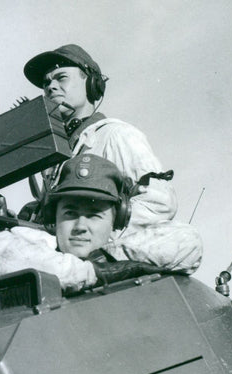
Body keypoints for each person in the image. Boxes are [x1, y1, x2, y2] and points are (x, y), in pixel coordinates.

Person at [20, 44, 202, 270]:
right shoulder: (58, 154)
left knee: (185, 239)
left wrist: (102, 233)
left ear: (91, 84)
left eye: (61, 78)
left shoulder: (116, 135)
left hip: (102, 255)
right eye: (46, 83)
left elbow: (160, 203)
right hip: (64, 258)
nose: (51, 87)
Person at [0, 153, 201, 292]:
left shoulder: (124, 250)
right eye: (70, 213)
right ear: (54, 217)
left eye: (94, 215)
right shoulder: (36, 244)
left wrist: (107, 259)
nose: (80, 225)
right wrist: (92, 272)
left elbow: (188, 241)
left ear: (116, 220)